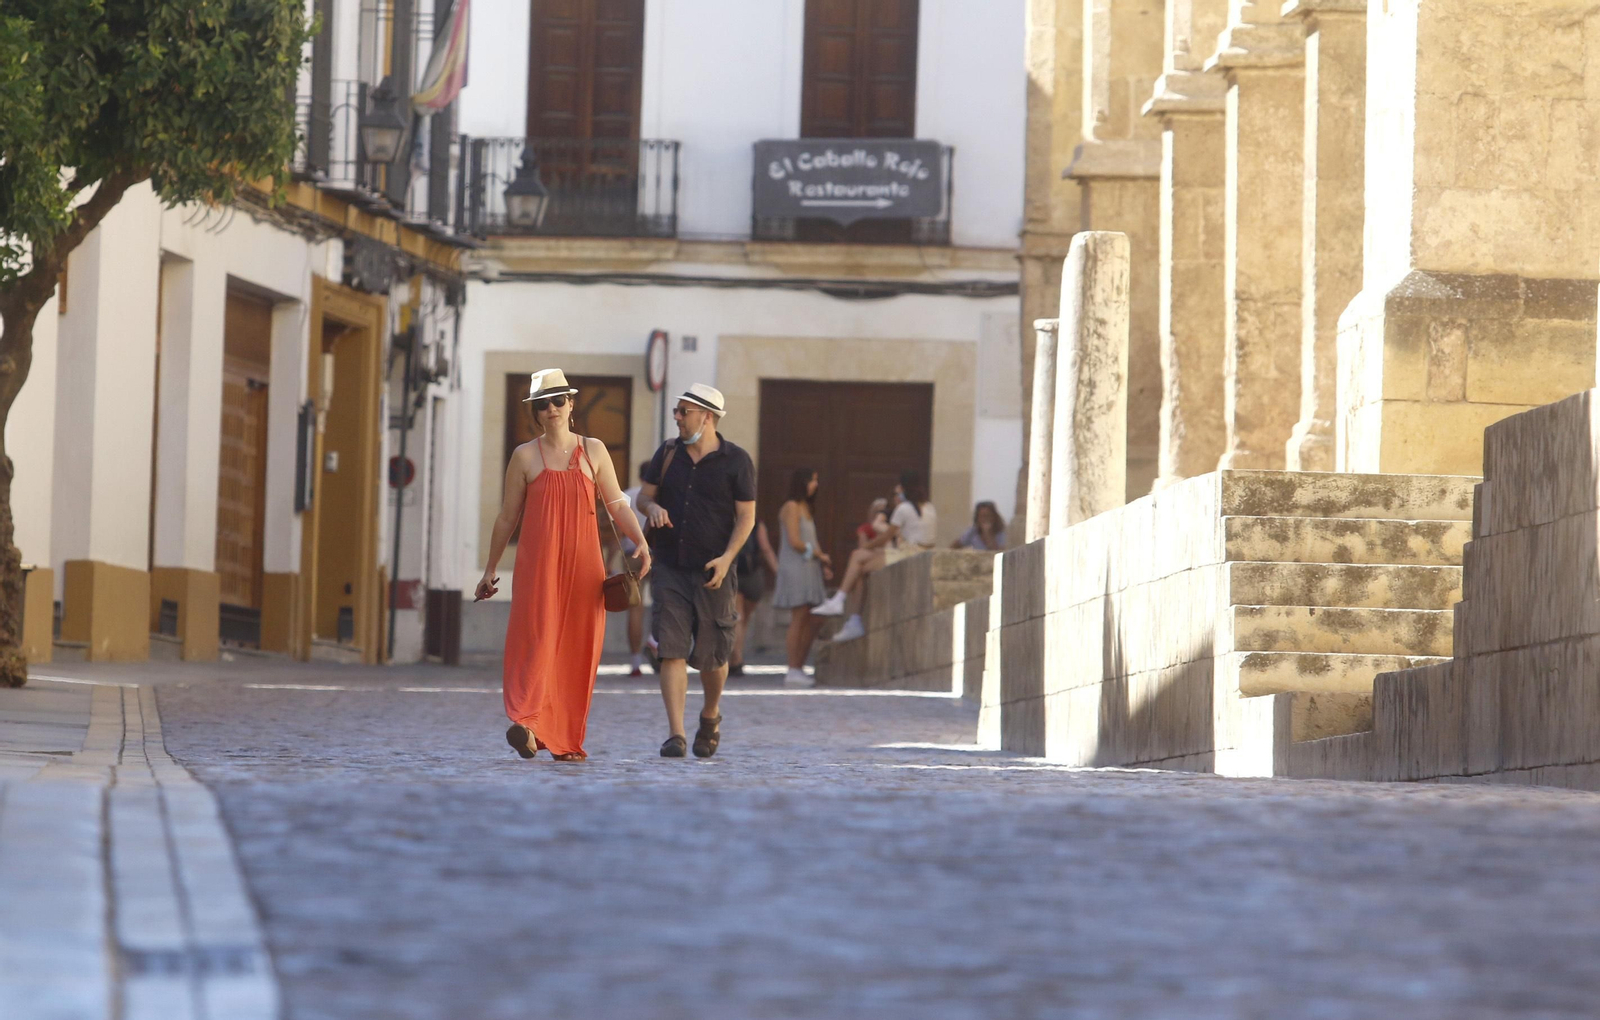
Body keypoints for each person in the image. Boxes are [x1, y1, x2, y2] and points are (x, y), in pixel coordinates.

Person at [476, 369, 650, 762]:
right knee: (535, 641)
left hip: (586, 568)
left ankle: (565, 739)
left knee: (579, 649)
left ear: (571, 404)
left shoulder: (594, 450)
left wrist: (640, 540)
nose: (551, 409)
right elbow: (507, 517)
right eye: (542, 404)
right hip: (539, 567)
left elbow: (617, 503)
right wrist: (489, 570)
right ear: (535, 413)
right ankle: (526, 722)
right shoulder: (524, 455)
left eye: (558, 401)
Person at [636, 383, 756, 759]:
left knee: (713, 656)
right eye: (676, 410)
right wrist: (651, 509)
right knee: (670, 649)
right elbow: (644, 495)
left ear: (707, 417)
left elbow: (746, 517)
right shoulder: (668, 453)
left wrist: (727, 558)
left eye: (683, 411)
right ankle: (676, 734)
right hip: (670, 566)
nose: (676, 417)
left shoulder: (737, 461)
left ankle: (710, 714)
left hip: (713, 571)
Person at [812, 470, 938, 641]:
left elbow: (886, 537)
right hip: (916, 551)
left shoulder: (904, 508)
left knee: (858, 561)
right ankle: (846, 611)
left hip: (908, 554)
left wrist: (867, 547)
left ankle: (843, 604)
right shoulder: (929, 507)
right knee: (858, 561)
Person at [771, 467, 833, 687]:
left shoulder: (807, 507)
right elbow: (795, 541)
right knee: (798, 617)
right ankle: (792, 668)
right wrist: (818, 554)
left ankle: (800, 665)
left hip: (809, 568)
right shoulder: (791, 507)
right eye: (812, 480)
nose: (815, 485)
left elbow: (810, 541)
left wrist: (822, 562)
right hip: (795, 568)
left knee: (813, 617)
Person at [728, 520, 779, 677]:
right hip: (753, 574)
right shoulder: (756, 523)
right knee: (744, 620)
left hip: (734, 570)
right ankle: (738, 657)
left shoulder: (726, 518)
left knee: (737, 619)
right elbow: (765, 548)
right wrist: (778, 572)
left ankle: (735, 659)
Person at [621, 461, 655, 677]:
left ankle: (635, 662)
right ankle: (656, 643)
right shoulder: (659, 497)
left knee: (635, 608)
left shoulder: (628, 495)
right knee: (665, 602)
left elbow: (618, 530)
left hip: (632, 554)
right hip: (658, 553)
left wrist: (610, 559)